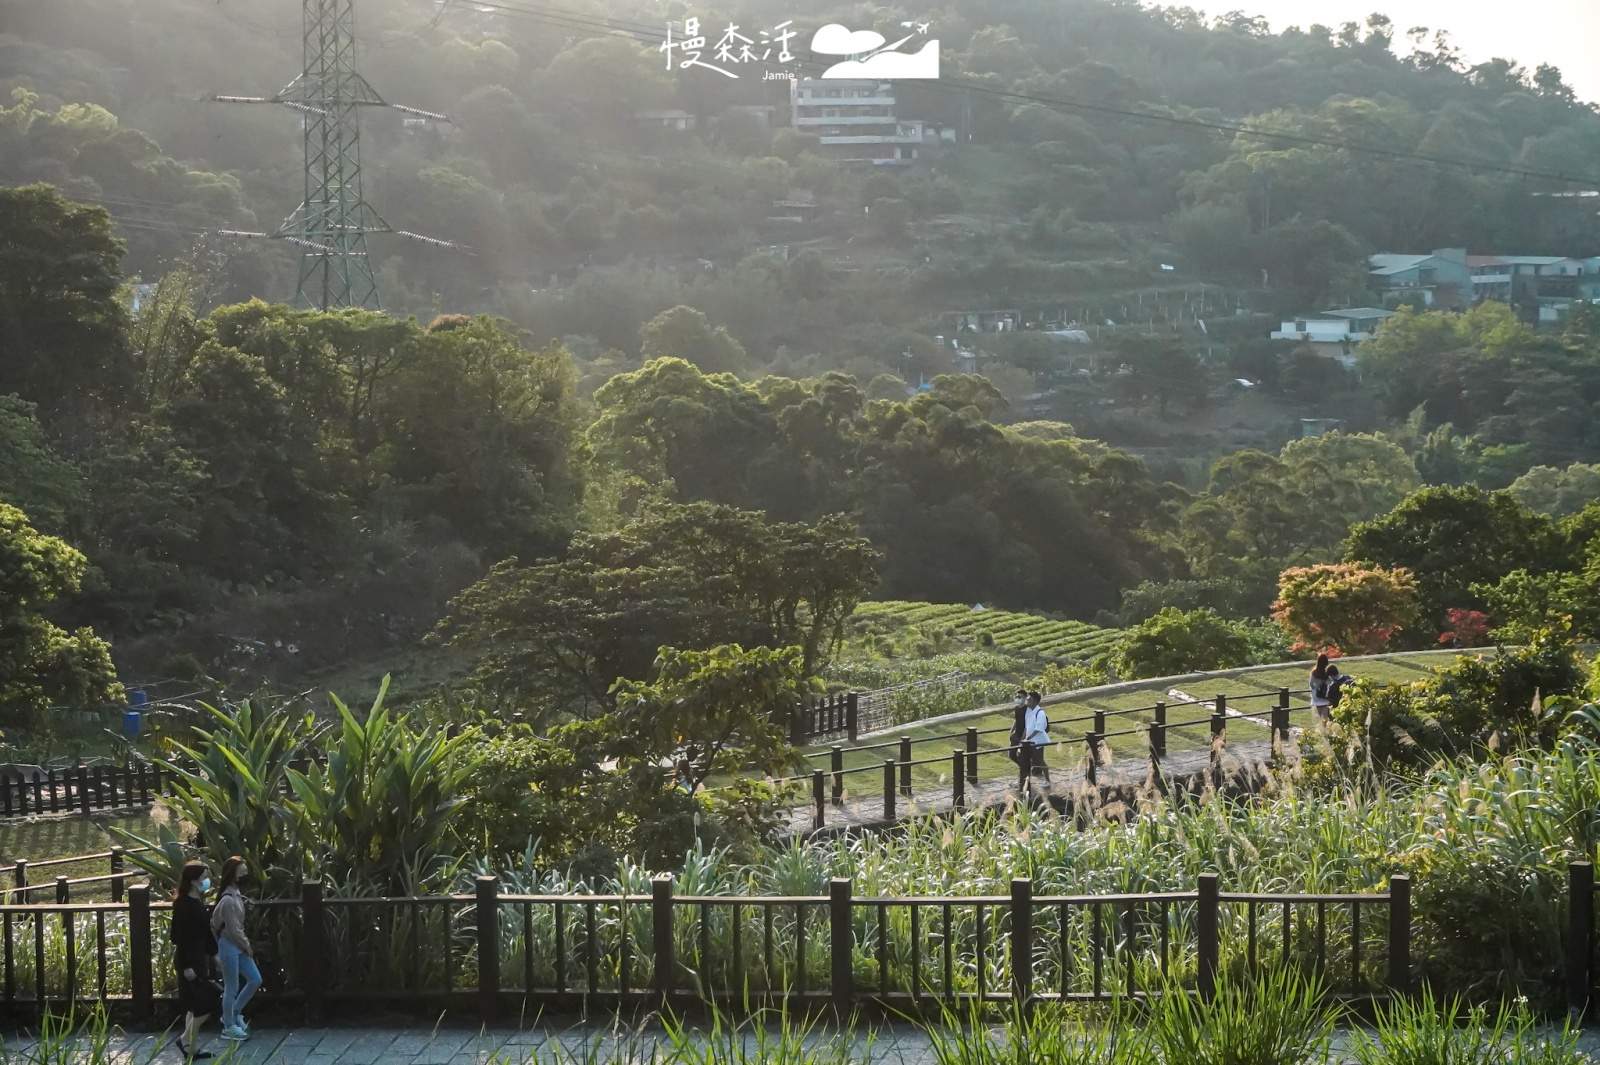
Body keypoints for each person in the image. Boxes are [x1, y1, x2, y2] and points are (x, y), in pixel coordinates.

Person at [171, 861, 219, 1060]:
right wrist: (186, 966)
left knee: (194, 1004)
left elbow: (205, 932)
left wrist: (213, 953)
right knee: (207, 1001)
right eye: (203, 877)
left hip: (200, 956)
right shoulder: (183, 905)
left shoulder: (196, 901)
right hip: (189, 958)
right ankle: (184, 1039)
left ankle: (190, 1048)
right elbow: (178, 937)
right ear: (193, 880)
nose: (206, 881)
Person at [210, 856, 260, 1042]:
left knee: (255, 979)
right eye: (243, 873)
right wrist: (247, 946)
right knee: (232, 986)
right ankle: (228, 1026)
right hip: (230, 945)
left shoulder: (237, 896)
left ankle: (234, 1012)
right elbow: (233, 930)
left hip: (237, 944)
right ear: (233, 876)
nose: (246, 876)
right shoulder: (228, 900)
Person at [1023, 691, 1051, 784]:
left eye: (1029, 700)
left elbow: (1038, 728)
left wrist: (1028, 738)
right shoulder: (1029, 712)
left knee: (1039, 760)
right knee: (1025, 760)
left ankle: (1047, 780)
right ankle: (1023, 780)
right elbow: (1027, 726)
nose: (1027, 701)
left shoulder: (1040, 713)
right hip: (1029, 741)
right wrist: (1024, 738)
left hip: (1037, 741)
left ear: (1034, 701)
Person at [1309, 654, 1333, 726]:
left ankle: (1320, 732)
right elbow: (1331, 683)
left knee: (1318, 720)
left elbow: (1311, 685)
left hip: (1316, 697)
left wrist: (1317, 686)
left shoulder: (1314, 672)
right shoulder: (1327, 672)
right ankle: (1326, 732)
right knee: (1326, 719)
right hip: (1325, 697)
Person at [1006, 690, 1028, 765]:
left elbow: (1027, 725)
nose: (1018, 698)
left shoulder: (1027, 710)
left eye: (1020, 697)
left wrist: (1023, 737)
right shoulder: (1017, 708)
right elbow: (1016, 720)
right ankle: (1022, 767)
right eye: (1017, 697)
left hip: (1024, 735)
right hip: (1016, 734)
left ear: (1025, 698)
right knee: (1011, 754)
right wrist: (1011, 730)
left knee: (1023, 755)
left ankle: (1025, 770)